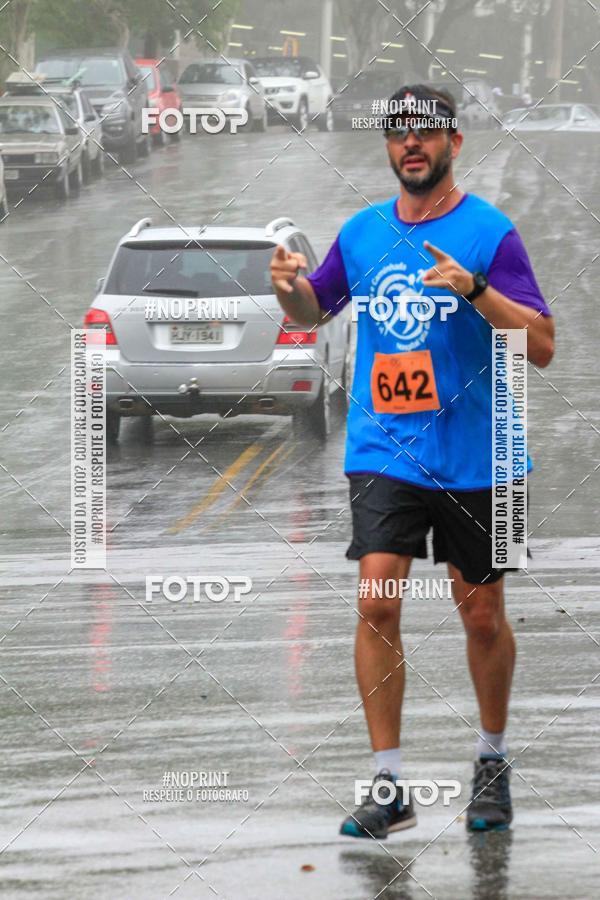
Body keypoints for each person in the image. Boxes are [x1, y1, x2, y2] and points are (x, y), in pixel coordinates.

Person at [270, 84, 554, 839]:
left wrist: (477, 290)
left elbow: (542, 346)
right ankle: (389, 784)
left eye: (426, 132)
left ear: (454, 142)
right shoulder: (362, 233)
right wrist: (289, 290)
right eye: (399, 133)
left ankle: (491, 761)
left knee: (482, 614)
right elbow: (314, 309)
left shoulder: (491, 234)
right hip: (384, 450)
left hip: (486, 456)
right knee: (377, 603)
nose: (411, 144)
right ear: (389, 146)